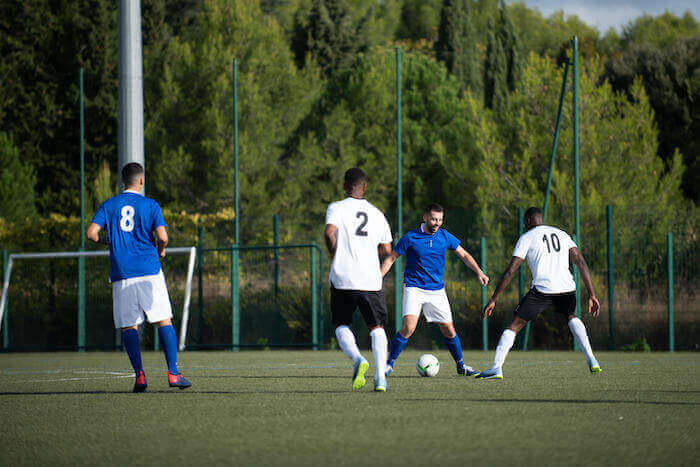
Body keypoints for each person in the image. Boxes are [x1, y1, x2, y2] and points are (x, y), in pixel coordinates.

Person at [86, 162, 191, 392]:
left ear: (122, 181)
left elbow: (91, 234)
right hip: (149, 271)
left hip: (122, 274)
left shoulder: (109, 205)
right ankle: (173, 374)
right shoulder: (151, 205)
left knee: (128, 326)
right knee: (163, 319)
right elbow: (162, 236)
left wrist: (110, 240)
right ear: (141, 181)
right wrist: (161, 250)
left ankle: (140, 376)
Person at [477, 207, 602, 380]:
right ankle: (592, 360)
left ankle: (496, 367)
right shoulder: (561, 234)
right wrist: (592, 294)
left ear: (528, 221)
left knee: (515, 325)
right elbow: (580, 261)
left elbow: (510, 271)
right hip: (567, 288)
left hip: (542, 290)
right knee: (571, 316)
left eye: (524, 223)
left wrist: (493, 299)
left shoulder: (527, 237)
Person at [380, 203, 489, 377]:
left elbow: (464, 255)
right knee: (408, 327)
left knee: (449, 329)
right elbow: (391, 258)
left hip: (436, 291)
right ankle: (388, 365)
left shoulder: (445, 236)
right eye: (433, 219)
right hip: (414, 287)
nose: (437, 223)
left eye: (439, 219)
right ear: (425, 218)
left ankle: (461, 366)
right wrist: (378, 278)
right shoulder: (410, 237)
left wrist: (479, 272)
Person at [324, 168, 393, 392]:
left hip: (343, 277)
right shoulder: (377, 214)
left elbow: (329, 232)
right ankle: (380, 377)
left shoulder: (336, 207)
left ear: (345, 185)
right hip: (370, 279)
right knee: (377, 327)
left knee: (341, 324)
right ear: (364, 187)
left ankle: (357, 359)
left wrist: (335, 254)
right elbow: (386, 249)